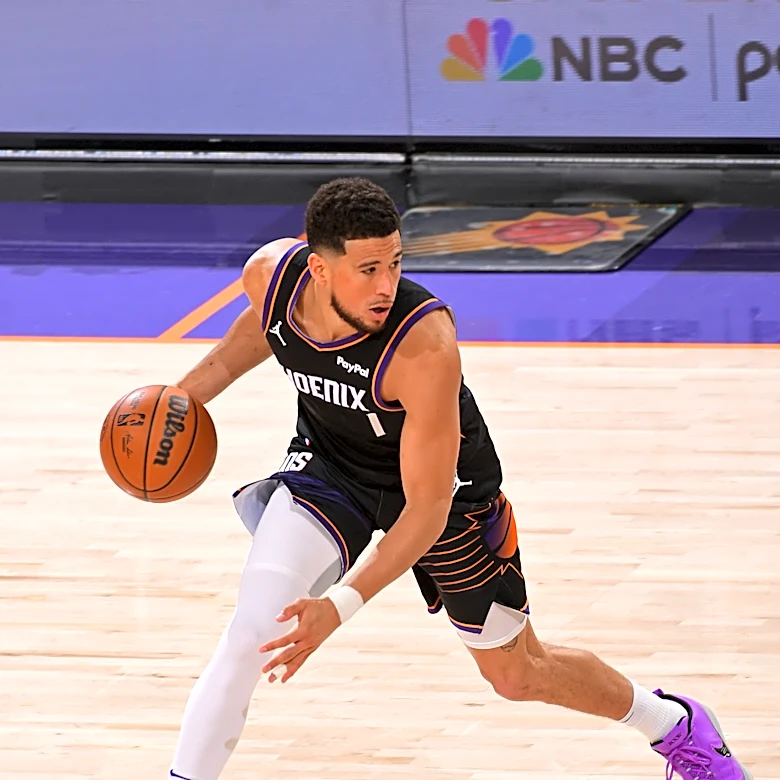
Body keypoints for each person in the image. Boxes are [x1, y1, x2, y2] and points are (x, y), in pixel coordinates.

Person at [167, 177, 750, 780]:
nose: (386, 285)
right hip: (332, 470)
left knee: (518, 675)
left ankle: (675, 726)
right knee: (251, 632)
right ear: (317, 269)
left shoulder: (423, 343)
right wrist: (180, 401)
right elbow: (266, 328)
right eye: (367, 269)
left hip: (446, 499)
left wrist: (337, 608)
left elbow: (425, 508)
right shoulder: (273, 276)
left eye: (394, 263)